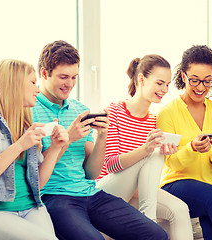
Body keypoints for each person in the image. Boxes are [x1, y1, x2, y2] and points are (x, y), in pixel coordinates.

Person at [31, 40, 168, 240]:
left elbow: (92, 173)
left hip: (90, 194)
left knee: (156, 235)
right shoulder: (30, 111)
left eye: (74, 77)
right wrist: (68, 138)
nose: (69, 84)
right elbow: (32, 174)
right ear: (44, 74)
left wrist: (102, 136)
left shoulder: (79, 110)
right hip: (55, 197)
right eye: (63, 77)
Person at [96, 55, 193, 239]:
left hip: (136, 194)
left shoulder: (153, 122)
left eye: (167, 84)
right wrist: (147, 150)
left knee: (180, 209)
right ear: (141, 79)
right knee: (152, 150)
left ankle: (148, 219)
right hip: (106, 192)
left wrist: (165, 153)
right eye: (159, 83)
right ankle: (149, 220)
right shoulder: (113, 112)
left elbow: (148, 175)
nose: (164, 89)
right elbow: (110, 165)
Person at [156, 45, 212, 240]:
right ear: (183, 75)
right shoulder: (168, 113)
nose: (201, 87)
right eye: (195, 80)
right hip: (176, 184)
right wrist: (192, 148)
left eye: (207, 81)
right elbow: (172, 163)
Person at [0, 59, 69, 240]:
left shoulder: (26, 125)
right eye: (33, 82)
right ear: (14, 84)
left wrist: (56, 148)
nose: (38, 89)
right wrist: (19, 145)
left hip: (32, 207)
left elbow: (39, 183)